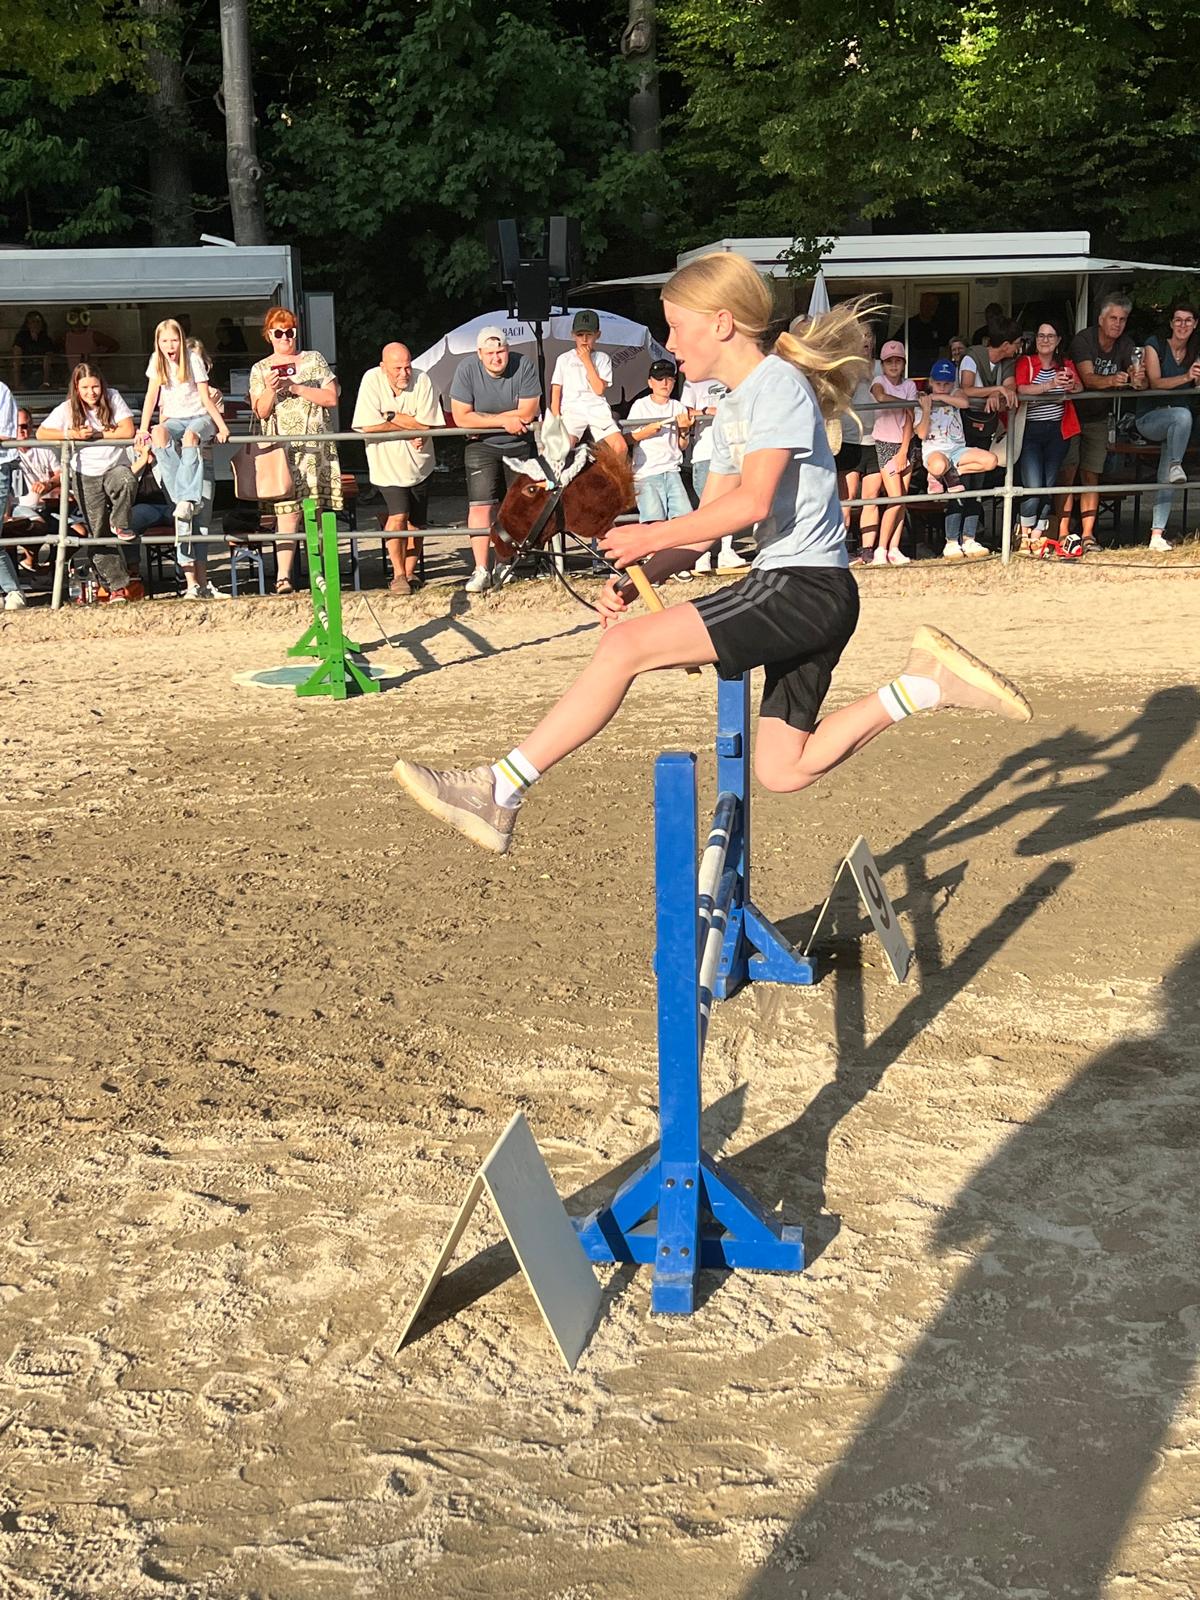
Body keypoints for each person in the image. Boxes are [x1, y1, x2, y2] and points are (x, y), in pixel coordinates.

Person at [391, 253, 1031, 857]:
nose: (669, 344)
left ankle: (499, 789)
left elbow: (753, 502)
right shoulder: (733, 408)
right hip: (807, 592)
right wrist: (641, 572)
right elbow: (702, 533)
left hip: (803, 588)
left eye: (676, 326)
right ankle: (923, 685)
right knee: (783, 768)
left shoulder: (775, 386)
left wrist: (649, 537)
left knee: (624, 648)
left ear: (721, 324)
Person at [249, 306, 342, 595]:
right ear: (269, 335)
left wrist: (296, 387)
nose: (285, 338)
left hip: (316, 451)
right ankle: (284, 577)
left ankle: (324, 575)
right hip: (282, 455)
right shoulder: (261, 369)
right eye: (279, 333)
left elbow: (331, 398)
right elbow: (261, 412)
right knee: (286, 515)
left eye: (290, 331)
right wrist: (271, 389)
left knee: (318, 512)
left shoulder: (314, 359)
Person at [37, 362, 139, 600]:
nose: (91, 392)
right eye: (85, 388)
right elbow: (41, 433)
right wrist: (70, 434)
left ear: (102, 385)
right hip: (85, 474)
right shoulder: (66, 408)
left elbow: (127, 430)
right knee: (97, 531)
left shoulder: (113, 397)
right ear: (76, 388)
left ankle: (120, 522)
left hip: (114, 466)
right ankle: (116, 587)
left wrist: (97, 435)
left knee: (126, 479)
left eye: (95, 387)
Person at [450, 327, 540, 594]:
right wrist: (505, 420)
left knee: (512, 507)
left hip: (519, 445)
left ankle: (504, 564)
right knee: (480, 508)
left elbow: (528, 412)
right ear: (479, 354)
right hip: (480, 446)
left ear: (507, 350)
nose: (496, 358)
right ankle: (480, 569)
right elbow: (461, 417)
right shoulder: (466, 369)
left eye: (500, 351)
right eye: (489, 353)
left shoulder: (524, 365)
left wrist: (482, 419)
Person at [353, 342, 442, 595]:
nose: (404, 373)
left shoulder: (423, 379)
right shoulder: (371, 379)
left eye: (407, 366)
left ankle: (410, 572)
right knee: (398, 515)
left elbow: (427, 425)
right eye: (397, 368)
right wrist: (409, 429)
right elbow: (368, 425)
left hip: (420, 463)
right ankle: (398, 574)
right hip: (386, 465)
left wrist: (390, 416)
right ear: (383, 367)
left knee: (417, 522)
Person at [1068, 294, 1147, 551]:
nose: (1118, 324)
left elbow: (1141, 383)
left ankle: (1088, 536)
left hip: (1099, 418)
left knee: (1092, 474)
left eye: (1122, 319)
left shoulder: (1126, 344)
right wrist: (1113, 380)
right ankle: (1062, 534)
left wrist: (1137, 378)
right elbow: (1088, 378)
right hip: (1070, 416)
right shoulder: (1083, 339)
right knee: (1067, 474)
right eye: (1113, 318)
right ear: (1101, 319)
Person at [1136, 302, 1200, 553]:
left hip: (1179, 425)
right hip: (1151, 418)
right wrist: (1186, 377)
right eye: (1178, 320)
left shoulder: (1196, 350)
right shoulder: (1155, 345)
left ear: (1195, 324)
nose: (1183, 325)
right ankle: (1176, 464)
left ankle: (1156, 535)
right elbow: (1155, 382)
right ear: (1171, 323)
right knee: (1182, 416)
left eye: (1188, 320)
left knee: (1169, 473)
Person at [916, 358, 996, 559]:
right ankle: (952, 541)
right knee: (945, 475)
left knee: (990, 461)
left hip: (959, 450)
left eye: (947, 383)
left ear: (953, 383)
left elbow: (964, 402)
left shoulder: (955, 393)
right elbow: (921, 434)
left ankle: (949, 473)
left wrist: (939, 397)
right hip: (935, 450)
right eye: (938, 383)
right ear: (931, 381)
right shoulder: (922, 401)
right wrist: (927, 409)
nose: (943, 387)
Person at [1014, 323, 1083, 553]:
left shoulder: (1065, 364)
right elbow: (1022, 389)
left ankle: (1037, 536)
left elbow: (1079, 387)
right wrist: (1050, 384)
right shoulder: (1025, 362)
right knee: (1033, 485)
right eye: (1041, 335)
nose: (1045, 340)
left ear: (1059, 340)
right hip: (1030, 431)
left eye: (1050, 336)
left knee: (1048, 485)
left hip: (1058, 431)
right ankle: (1024, 535)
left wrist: (1071, 384)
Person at [958, 316, 1021, 549]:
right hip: (964, 427)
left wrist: (996, 392)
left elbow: (1010, 387)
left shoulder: (1007, 363)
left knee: (979, 481)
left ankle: (971, 535)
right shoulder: (972, 357)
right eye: (1016, 343)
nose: (1018, 348)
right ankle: (955, 536)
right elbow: (966, 388)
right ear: (1005, 345)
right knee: (962, 481)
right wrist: (996, 389)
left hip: (987, 427)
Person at [682, 372, 745, 572]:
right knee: (706, 506)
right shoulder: (693, 380)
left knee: (730, 504)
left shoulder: (732, 375)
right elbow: (683, 410)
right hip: (704, 452)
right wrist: (706, 411)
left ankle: (726, 551)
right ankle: (703, 554)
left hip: (732, 450)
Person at [549, 310, 626, 458]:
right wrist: (556, 419)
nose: (584, 339)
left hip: (597, 409)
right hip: (572, 410)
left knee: (620, 448)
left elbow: (599, 389)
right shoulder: (564, 359)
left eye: (589, 334)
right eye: (580, 335)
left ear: (598, 335)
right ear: (573, 335)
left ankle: (610, 474)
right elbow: (556, 392)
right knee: (562, 450)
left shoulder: (603, 358)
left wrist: (587, 360)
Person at [867, 340, 916, 565]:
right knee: (895, 498)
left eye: (898, 361)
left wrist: (904, 450)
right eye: (889, 362)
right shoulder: (879, 381)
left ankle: (894, 548)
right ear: (883, 365)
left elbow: (909, 419)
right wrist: (905, 403)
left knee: (902, 500)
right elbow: (880, 396)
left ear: (904, 363)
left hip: (905, 443)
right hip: (885, 443)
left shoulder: (909, 385)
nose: (894, 365)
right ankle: (881, 548)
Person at [627, 358, 692, 524]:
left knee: (683, 519)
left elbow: (682, 445)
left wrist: (684, 430)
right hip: (646, 472)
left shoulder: (678, 407)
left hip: (672, 470)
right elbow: (627, 438)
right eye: (659, 378)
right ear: (650, 382)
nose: (664, 383)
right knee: (653, 522)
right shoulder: (640, 405)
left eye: (669, 378)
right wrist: (646, 432)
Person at [7, 407, 61, 575]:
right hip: (18, 506)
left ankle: (49, 569)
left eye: (25, 426)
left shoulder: (44, 449)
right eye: (17, 426)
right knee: (38, 526)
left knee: (80, 532)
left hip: (46, 506)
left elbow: (61, 475)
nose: (21, 430)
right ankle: (31, 560)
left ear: (32, 427)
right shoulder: (6, 453)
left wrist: (49, 484)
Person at [902, 292, 955, 378]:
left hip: (934, 371)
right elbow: (898, 344)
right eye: (927, 304)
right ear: (921, 305)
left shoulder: (939, 325)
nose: (930, 308)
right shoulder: (910, 324)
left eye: (933, 305)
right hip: (913, 371)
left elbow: (946, 347)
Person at [11, 310, 56, 390]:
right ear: (27, 324)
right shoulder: (21, 338)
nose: (36, 324)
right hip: (25, 375)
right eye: (33, 322)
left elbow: (48, 360)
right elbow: (16, 361)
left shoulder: (46, 340)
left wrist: (45, 383)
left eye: (38, 322)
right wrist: (17, 384)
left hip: (41, 376)